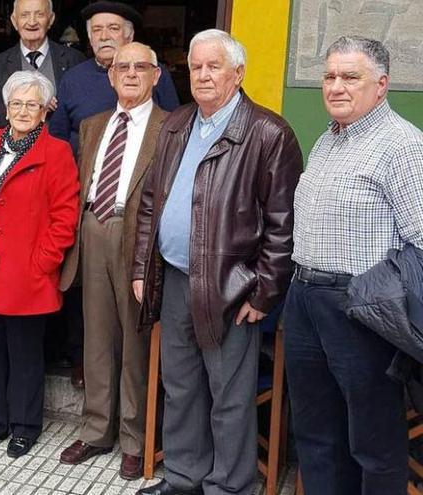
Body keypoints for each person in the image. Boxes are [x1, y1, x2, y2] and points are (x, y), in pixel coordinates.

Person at [132, 29, 302, 495]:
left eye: (214, 66)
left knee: (229, 396)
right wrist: (142, 269)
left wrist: (265, 293)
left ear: (238, 73)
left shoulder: (268, 133)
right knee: (181, 386)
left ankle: (228, 488)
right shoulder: (177, 123)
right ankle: (185, 480)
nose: (203, 76)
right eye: (196, 67)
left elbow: (283, 225)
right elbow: (151, 202)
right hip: (175, 280)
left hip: (231, 288)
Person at [285, 36, 423, 495]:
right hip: (304, 299)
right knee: (315, 430)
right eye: (329, 76)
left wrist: (381, 293)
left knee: (373, 440)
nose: (336, 86)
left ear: (381, 85)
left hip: (361, 307)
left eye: (350, 77)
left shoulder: (402, 145)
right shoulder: (328, 139)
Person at [0, 70, 80, 458]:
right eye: (17, 104)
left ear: (44, 113)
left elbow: (65, 218)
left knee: (25, 353)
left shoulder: (56, 152)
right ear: (6, 110)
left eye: (32, 105)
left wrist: (41, 263)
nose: (24, 111)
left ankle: (25, 426)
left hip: (27, 271)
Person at [58, 42, 168, 481]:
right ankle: (97, 429)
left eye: (141, 67)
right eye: (123, 67)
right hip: (93, 228)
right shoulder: (92, 125)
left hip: (137, 236)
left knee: (136, 339)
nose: (131, 73)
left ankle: (134, 438)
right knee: (97, 337)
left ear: (156, 75)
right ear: (110, 75)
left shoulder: (171, 126)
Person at [49, 0, 180, 154]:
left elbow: (174, 131)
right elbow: (57, 141)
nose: (104, 36)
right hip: (83, 173)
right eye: (97, 30)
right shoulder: (72, 79)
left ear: (129, 36)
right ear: (90, 38)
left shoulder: (150, 73)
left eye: (113, 28)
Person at [0, 0, 86, 137]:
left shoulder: (74, 60)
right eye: (24, 15)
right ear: (14, 21)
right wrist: (19, 104)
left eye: (39, 15)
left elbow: (84, 117)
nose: (32, 22)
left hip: (59, 152)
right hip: (14, 154)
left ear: (51, 20)